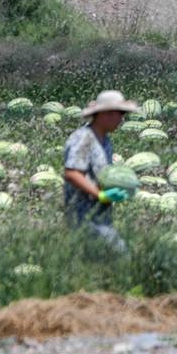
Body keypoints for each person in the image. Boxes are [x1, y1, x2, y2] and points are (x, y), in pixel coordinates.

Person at [62, 89, 139, 254]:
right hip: (83, 215)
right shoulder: (84, 138)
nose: (121, 119)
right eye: (120, 114)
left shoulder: (105, 140)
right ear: (106, 114)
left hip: (100, 214)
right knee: (121, 256)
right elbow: (72, 173)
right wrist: (100, 195)